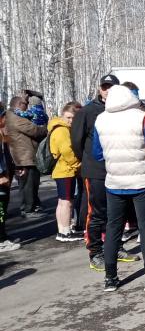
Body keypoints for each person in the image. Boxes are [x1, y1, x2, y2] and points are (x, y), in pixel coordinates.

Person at [93, 84, 145, 292]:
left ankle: (110, 278)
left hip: (114, 182)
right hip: (142, 181)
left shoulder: (101, 119)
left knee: (113, 228)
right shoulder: (143, 118)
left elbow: (97, 153)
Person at [72, 74, 136, 271]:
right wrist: (89, 161)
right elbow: (76, 141)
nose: (107, 90)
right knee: (97, 212)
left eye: (111, 87)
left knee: (117, 213)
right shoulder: (88, 111)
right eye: (104, 87)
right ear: (100, 89)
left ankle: (115, 247)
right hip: (96, 170)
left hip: (119, 169)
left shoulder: (123, 110)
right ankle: (95, 252)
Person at [5, 96, 47, 217]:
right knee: (28, 186)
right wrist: (46, 128)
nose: (27, 107)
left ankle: (32, 206)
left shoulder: (12, 116)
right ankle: (28, 210)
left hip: (24, 155)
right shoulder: (16, 118)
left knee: (30, 184)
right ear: (19, 104)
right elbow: (34, 130)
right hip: (24, 157)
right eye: (25, 104)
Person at [50, 102, 84, 242]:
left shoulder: (58, 127)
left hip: (63, 170)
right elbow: (67, 151)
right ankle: (65, 232)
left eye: (72, 118)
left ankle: (62, 230)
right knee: (66, 202)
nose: (70, 121)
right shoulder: (62, 130)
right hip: (66, 170)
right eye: (68, 117)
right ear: (62, 115)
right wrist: (78, 164)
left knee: (62, 201)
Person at [0, 104, 20, 252]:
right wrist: (1, 175)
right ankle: (1, 241)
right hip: (1, 178)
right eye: (3, 116)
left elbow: (6, 154)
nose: (6, 119)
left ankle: (3, 235)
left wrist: (12, 168)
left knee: (4, 205)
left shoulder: (2, 133)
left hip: (6, 174)